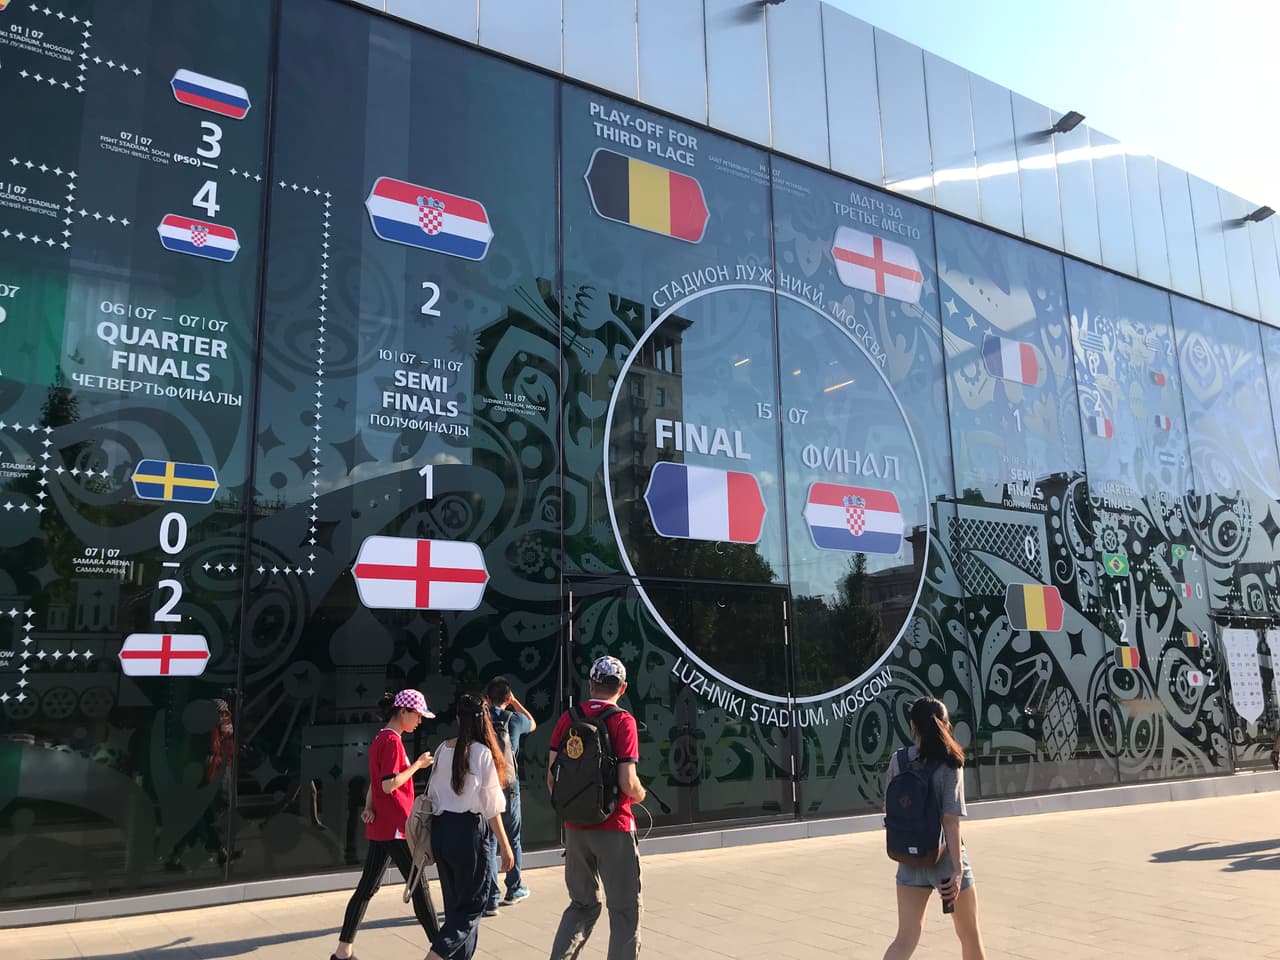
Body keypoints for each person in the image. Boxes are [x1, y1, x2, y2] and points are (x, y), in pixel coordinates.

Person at [547, 656, 645, 960]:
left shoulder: (569, 718)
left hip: (575, 829)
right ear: (623, 687)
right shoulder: (623, 720)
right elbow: (628, 783)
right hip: (614, 826)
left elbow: (552, 777)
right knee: (624, 909)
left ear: (591, 684)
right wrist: (640, 794)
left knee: (582, 904)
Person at [331, 690, 437, 960]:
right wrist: (418, 765)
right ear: (403, 712)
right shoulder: (392, 742)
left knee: (367, 888)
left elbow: (376, 783)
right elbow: (389, 784)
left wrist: (369, 807)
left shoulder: (381, 738)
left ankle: (343, 951)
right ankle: (443, 950)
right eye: (418, 715)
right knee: (419, 888)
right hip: (396, 827)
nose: (420, 721)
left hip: (384, 827)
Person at [882, 696, 986, 960]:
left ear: (912, 726)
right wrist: (958, 871)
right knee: (969, 937)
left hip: (908, 859)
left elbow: (888, 808)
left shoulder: (899, 760)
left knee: (904, 939)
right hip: (945, 863)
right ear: (946, 725)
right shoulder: (951, 761)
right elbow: (951, 819)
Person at [425, 693, 515, 960]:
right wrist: (506, 846)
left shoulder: (443, 748)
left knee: (455, 907)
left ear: (456, 719)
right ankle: (435, 955)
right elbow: (491, 807)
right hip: (468, 833)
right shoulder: (482, 753)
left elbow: (432, 795)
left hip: (442, 830)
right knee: (473, 906)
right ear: (484, 719)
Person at [483, 676, 537, 913]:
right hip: (509, 785)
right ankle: (514, 888)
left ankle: (491, 895)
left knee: (491, 840)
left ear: (487, 698)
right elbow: (532, 723)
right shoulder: (514, 719)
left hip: (487, 785)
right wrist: (515, 703)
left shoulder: (480, 720)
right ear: (507, 697)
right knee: (512, 837)